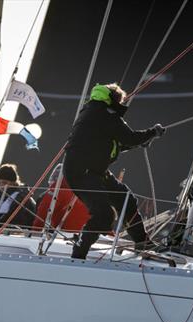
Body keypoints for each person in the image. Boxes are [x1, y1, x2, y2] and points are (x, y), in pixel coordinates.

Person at [63, 82, 165, 259]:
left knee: (125, 198)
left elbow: (113, 144)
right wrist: (153, 132)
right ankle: (79, 252)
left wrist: (141, 140)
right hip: (83, 173)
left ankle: (142, 242)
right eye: (120, 101)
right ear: (114, 100)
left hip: (93, 171)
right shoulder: (105, 115)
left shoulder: (94, 111)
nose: (121, 104)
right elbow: (129, 138)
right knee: (104, 214)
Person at [0, 164, 36, 228]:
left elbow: (19, 220)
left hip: (12, 233)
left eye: (5, 183)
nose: (1, 186)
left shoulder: (22, 199)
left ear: (13, 183)